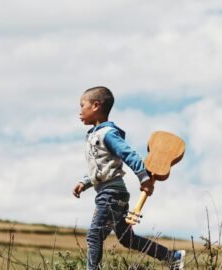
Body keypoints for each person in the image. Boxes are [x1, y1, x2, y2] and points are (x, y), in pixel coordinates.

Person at [72, 86, 185, 270]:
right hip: (112, 194)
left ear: (95, 106)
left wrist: (144, 179)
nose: (79, 111)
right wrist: (84, 182)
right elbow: (100, 166)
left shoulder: (107, 134)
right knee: (126, 238)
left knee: (94, 235)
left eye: (82, 105)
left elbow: (129, 154)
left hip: (110, 194)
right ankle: (173, 256)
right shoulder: (95, 135)